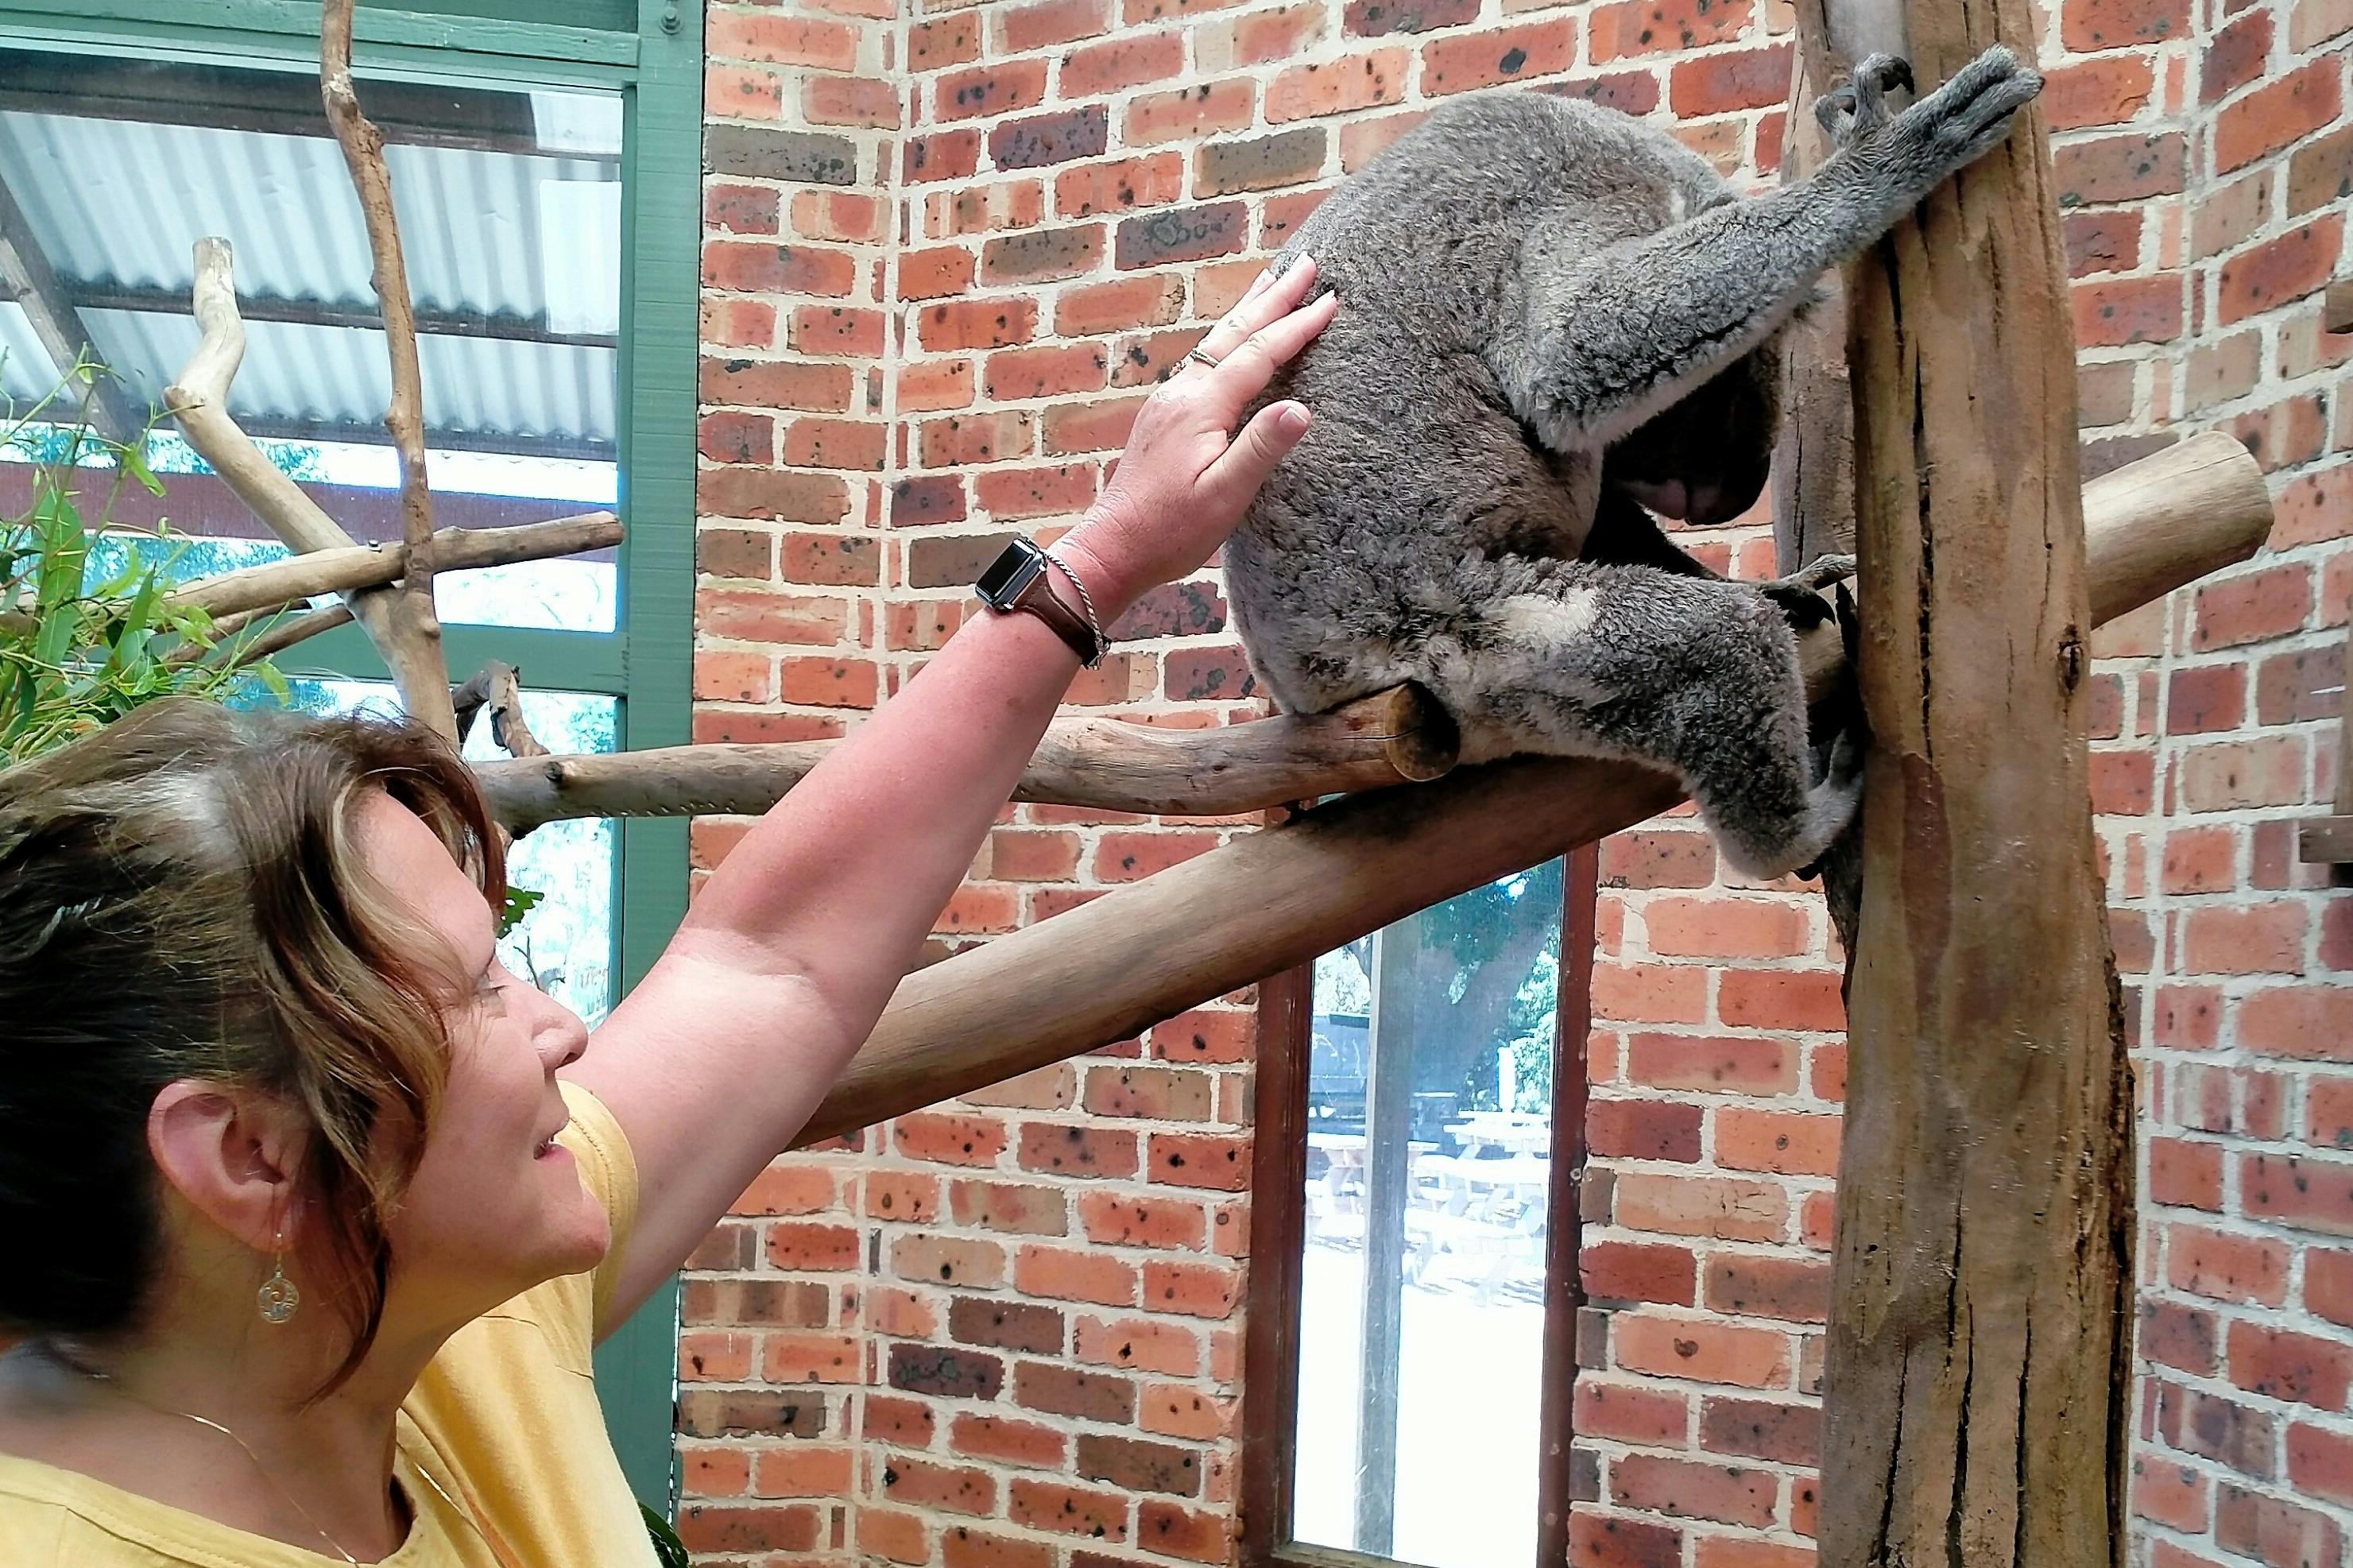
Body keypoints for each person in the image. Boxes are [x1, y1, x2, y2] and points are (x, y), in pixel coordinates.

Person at [0, 258, 1337, 1566]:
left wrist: (1101, 558)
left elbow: (771, 961)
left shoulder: (430, 1329)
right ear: (251, 1157)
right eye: (474, 991)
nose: (561, 1028)